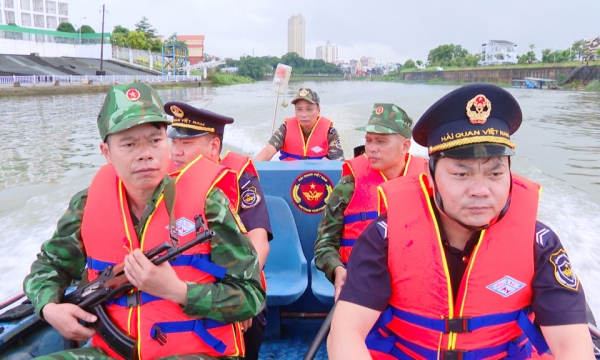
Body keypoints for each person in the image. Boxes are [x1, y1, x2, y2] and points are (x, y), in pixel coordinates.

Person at [328, 84, 595, 359]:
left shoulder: (539, 244)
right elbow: (346, 332)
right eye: (461, 174)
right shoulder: (383, 238)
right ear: (431, 179)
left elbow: (571, 345)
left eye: (494, 174)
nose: (480, 190)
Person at [23, 83, 265, 360]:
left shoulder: (210, 204)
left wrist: (179, 291)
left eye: (155, 140)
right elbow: (48, 265)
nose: (146, 153)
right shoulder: (86, 205)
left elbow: (251, 295)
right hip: (109, 351)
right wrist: (49, 308)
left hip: (194, 352)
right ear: (106, 152)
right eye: (129, 144)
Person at [166, 101, 272, 360]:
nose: (177, 152)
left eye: (187, 144)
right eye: (174, 142)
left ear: (214, 146)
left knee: (252, 318)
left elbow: (260, 242)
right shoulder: (160, 177)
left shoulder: (239, 177)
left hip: (232, 282)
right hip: (173, 282)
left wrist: (235, 297)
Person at [314, 103, 426, 300]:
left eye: (381, 142)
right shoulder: (350, 183)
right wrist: (337, 269)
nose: (372, 149)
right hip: (361, 284)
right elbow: (324, 244)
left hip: (414, 287)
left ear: (405, 146)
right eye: (368, 140)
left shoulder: (428, 182)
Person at [254, 88, 344, 161]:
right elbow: (268, 151)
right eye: (299, 109)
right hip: (289, 178)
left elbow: (339, 163)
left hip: (318, 179)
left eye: (309, 109)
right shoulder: (285, 128)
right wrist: (249, 172)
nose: (303, 115)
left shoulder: (330, 132)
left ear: (318, 110)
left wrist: (328, 164)